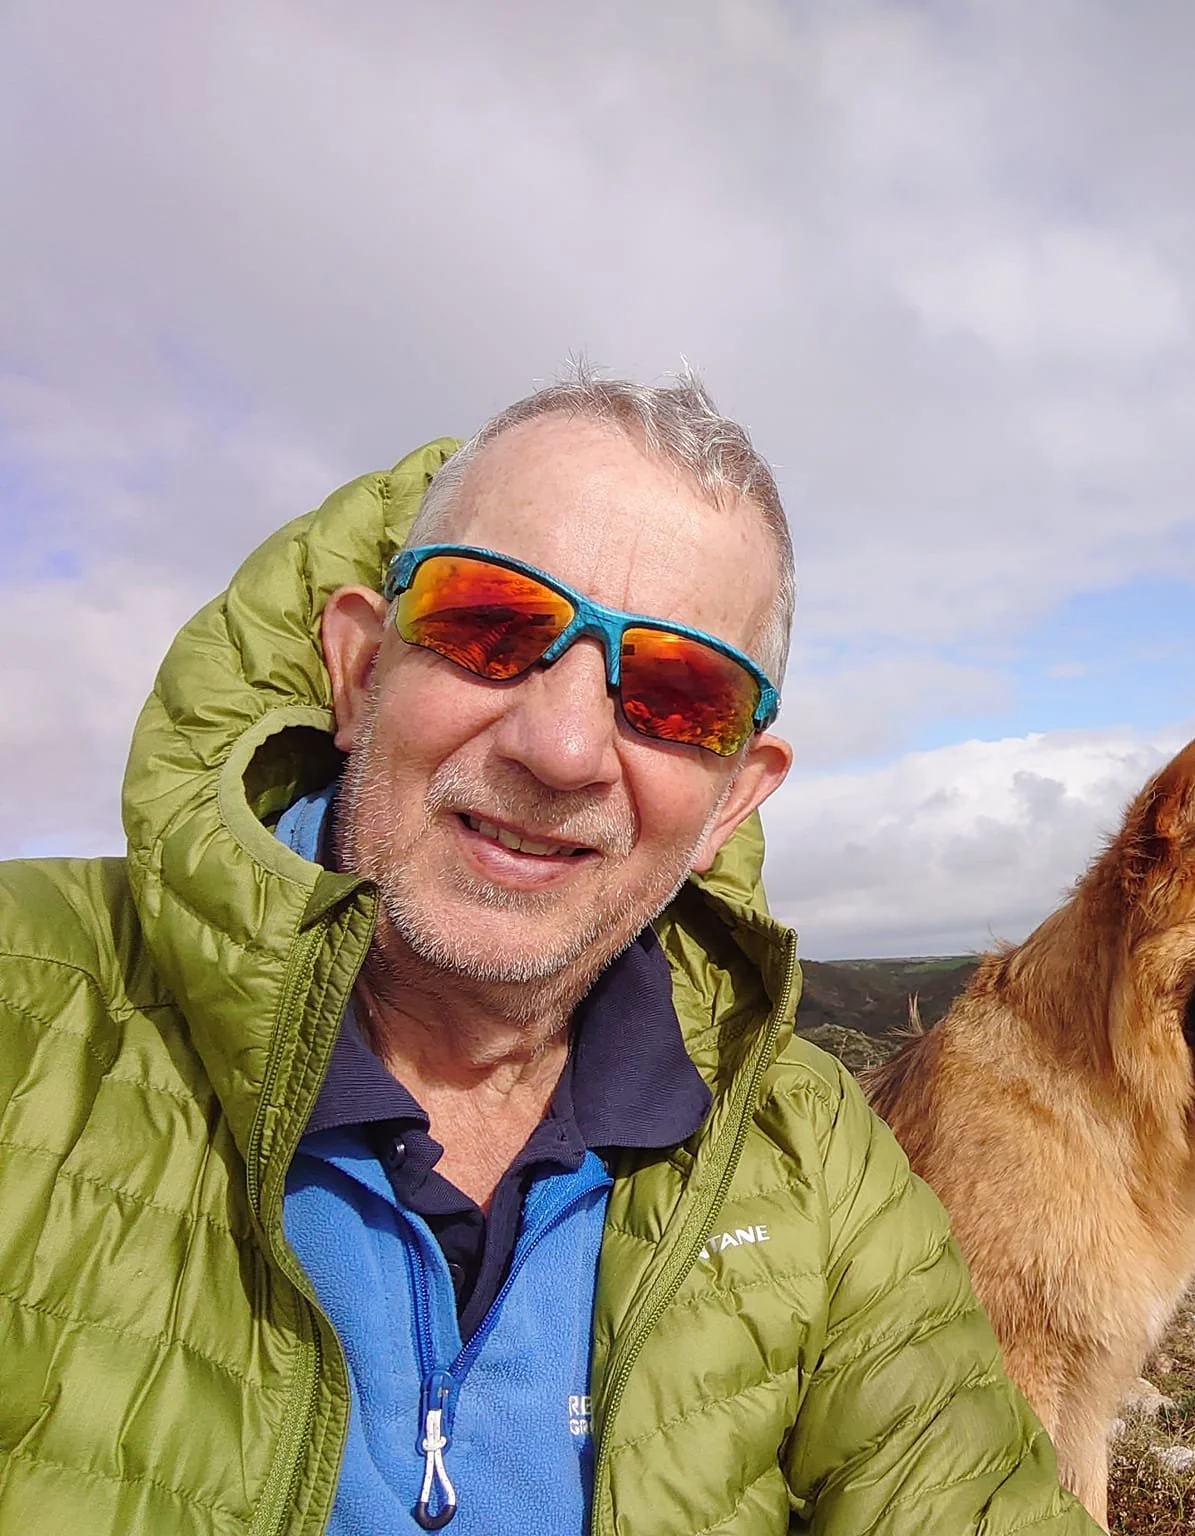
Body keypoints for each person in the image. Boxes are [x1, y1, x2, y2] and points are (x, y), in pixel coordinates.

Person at [0, 369, 1097, 1534]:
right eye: (490, 626)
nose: (565, 748)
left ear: (732, 801)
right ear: (362, 672)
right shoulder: (35, 1006)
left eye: (677, 696)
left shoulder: (814, 1159)